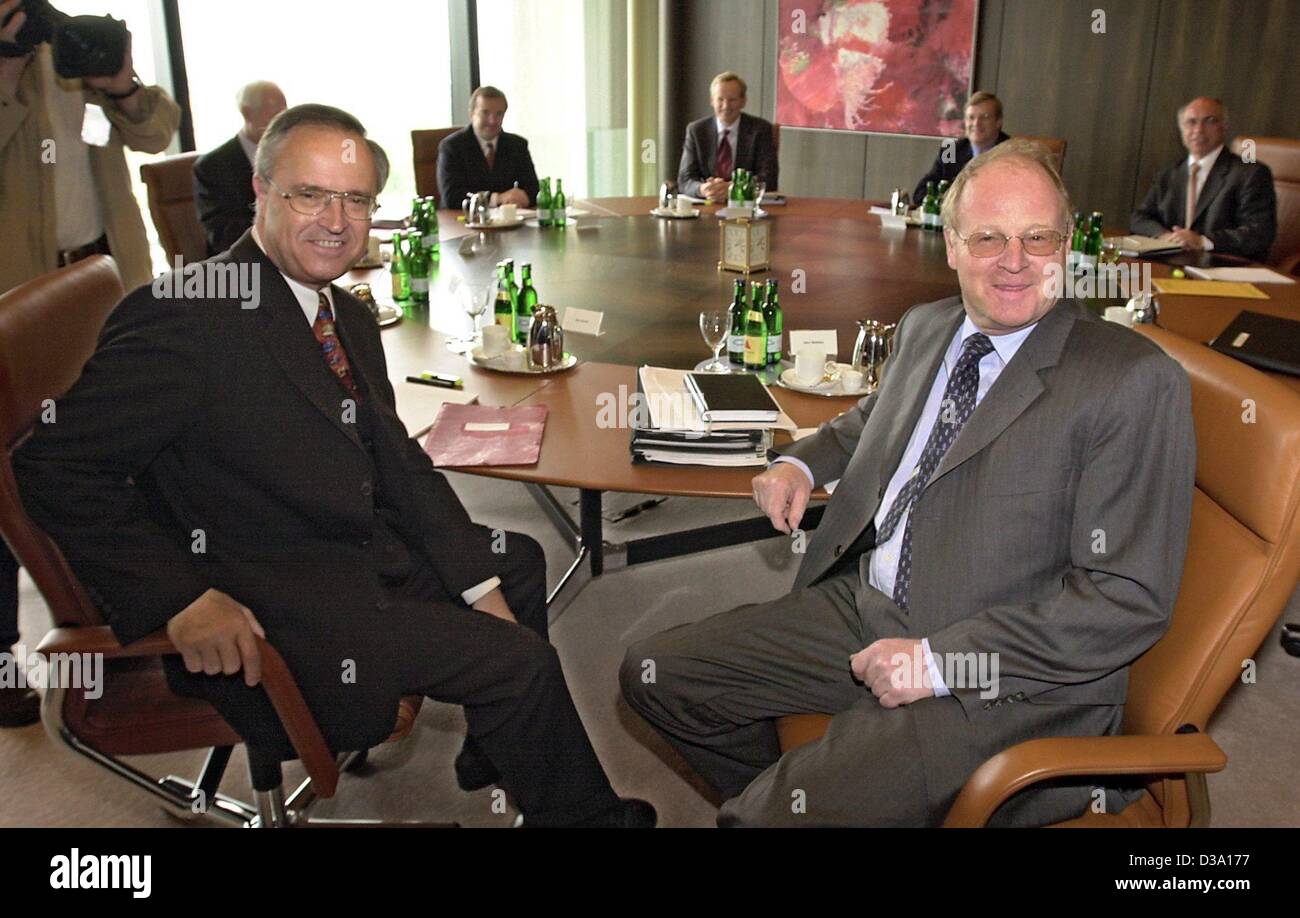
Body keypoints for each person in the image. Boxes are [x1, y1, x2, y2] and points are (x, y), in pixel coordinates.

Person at [14, 103, 653, 828]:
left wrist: (477, 581)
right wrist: (178, 599)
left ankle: (499, 749)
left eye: (354, 199)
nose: (335, 219)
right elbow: (55, 466)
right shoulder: (183, 315)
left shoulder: (342, 314)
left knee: (517, 563)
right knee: (522, 663)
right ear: (261, 192)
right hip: (268, 597)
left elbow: (398, 460)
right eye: (309, 194)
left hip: (343, 542)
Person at [621, 139, 1196, 827]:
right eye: (988, 237)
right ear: (951, 245)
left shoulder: (1129, 380)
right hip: (870, 605)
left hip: (1002, 678)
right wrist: (800, 461)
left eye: (1037, 238)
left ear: (1067, 247)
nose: (1015, 261)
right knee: (658, 675)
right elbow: (870, 421)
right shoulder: (928, 327)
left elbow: (1125, 598)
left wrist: (939, 660)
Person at [1, 0, 178, 727]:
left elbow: (157, 131)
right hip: (15, 293)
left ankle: (122, 627)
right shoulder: (16, 55)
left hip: (103, 278)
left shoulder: (75, 38)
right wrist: (7, 59)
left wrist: (123, 84)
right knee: (8, 477)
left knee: (115, 455)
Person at [0, 0, 180, 295]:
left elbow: (155, 138)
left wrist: (123, 88)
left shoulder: (76, 45)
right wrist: (7, 69)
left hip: (112, 266)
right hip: (24, 284)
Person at [1130, 97, 1276, 262]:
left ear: (1224, 126)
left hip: (1225, 268)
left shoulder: (1251, 174)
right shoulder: (1170, 172)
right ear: (1181, 129)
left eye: (1210, 121)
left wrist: (1201, 241)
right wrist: (1166, 237)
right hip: (1172, 263)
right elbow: (1140, 218)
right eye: (1191, 122)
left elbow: (1259, 233)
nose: (1198, 130)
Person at [193, 80, 286, 256]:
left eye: (284, 112)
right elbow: (222, 235)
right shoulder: (212, 167)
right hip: (241, 266)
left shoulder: (292, 157)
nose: (280, 122)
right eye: (273, 114)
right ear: (247, 113)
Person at [677, 71, 779, 203]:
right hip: (706, 206)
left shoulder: (760, 129)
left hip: (745, 207)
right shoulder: (696, 131)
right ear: (712, 101)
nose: (726, 106)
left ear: (743, 101)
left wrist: (734, 187)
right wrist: (703, 189)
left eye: (732, 100)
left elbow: (769, 178)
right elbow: (685, 179)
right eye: (720, 99)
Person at [437, 86, 538, 209]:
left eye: (499, 114)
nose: (492, 120)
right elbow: (452, 197)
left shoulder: (517, 145)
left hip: (508, 222)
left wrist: (522, 198)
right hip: (462, 222)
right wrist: (497, 198)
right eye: (485, 113)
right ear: (471, 113)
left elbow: (533, 189)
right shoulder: (452, 147)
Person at [911, 90, 1009, 204]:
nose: (976, 123)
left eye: (985, 117)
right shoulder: (951, 149)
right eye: (971, 117)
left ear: (998, 122)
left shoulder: (1010, 151)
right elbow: (920, 193)